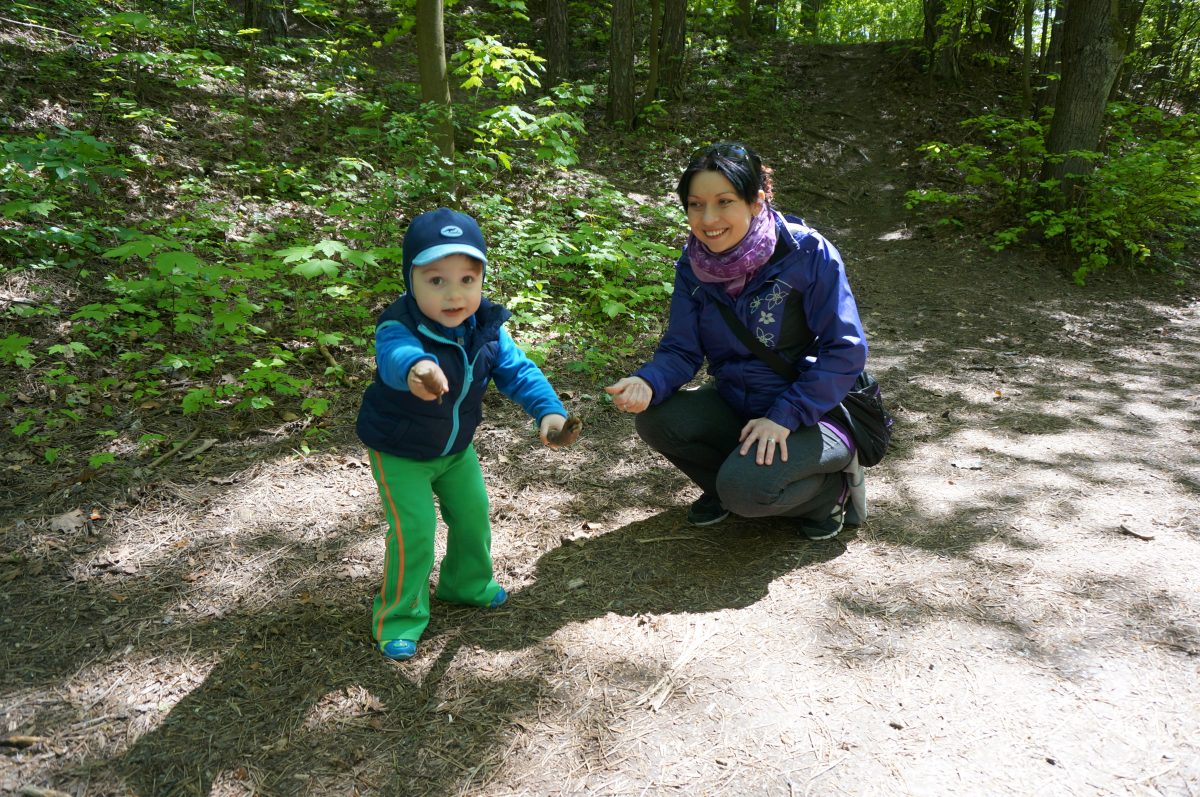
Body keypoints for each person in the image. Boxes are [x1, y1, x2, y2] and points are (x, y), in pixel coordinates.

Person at [605, 142, 868, 540]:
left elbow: (844, 348)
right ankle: (727, 488)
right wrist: (648, 381)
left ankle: (829, 495)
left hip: (815, 411)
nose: (708, 219)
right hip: (738, 403)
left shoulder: (806, 252)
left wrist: (785, 415)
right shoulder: (694, 264)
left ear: (756, 201)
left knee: (747, 491)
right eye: (695, 204)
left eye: (724, 202)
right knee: (658, 420)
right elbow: (681, 348)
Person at [356, 207, 574, 661]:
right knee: (415, 529)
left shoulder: (487, 330)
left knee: (474, 515)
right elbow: (396, 357)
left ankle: (466, 583)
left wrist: (549, 414)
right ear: (410, 280)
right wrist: (419, 369)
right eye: (436, 280)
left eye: (467, 280)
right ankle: (399, 616)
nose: (454, 294)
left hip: (455, 450)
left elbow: (518, 372)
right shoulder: (400, 325)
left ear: (481, 280)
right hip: (400, 452)